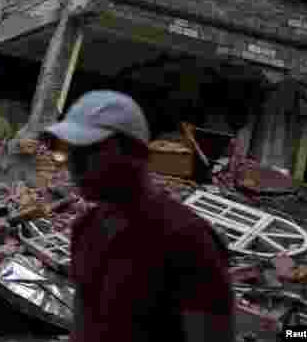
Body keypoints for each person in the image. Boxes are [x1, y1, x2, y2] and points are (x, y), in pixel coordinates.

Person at [42, 90, 234, 342]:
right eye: (71, 152)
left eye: (89, 151)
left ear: (134, 154)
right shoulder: (86, 229)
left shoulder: (187, 238)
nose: (74, 166)